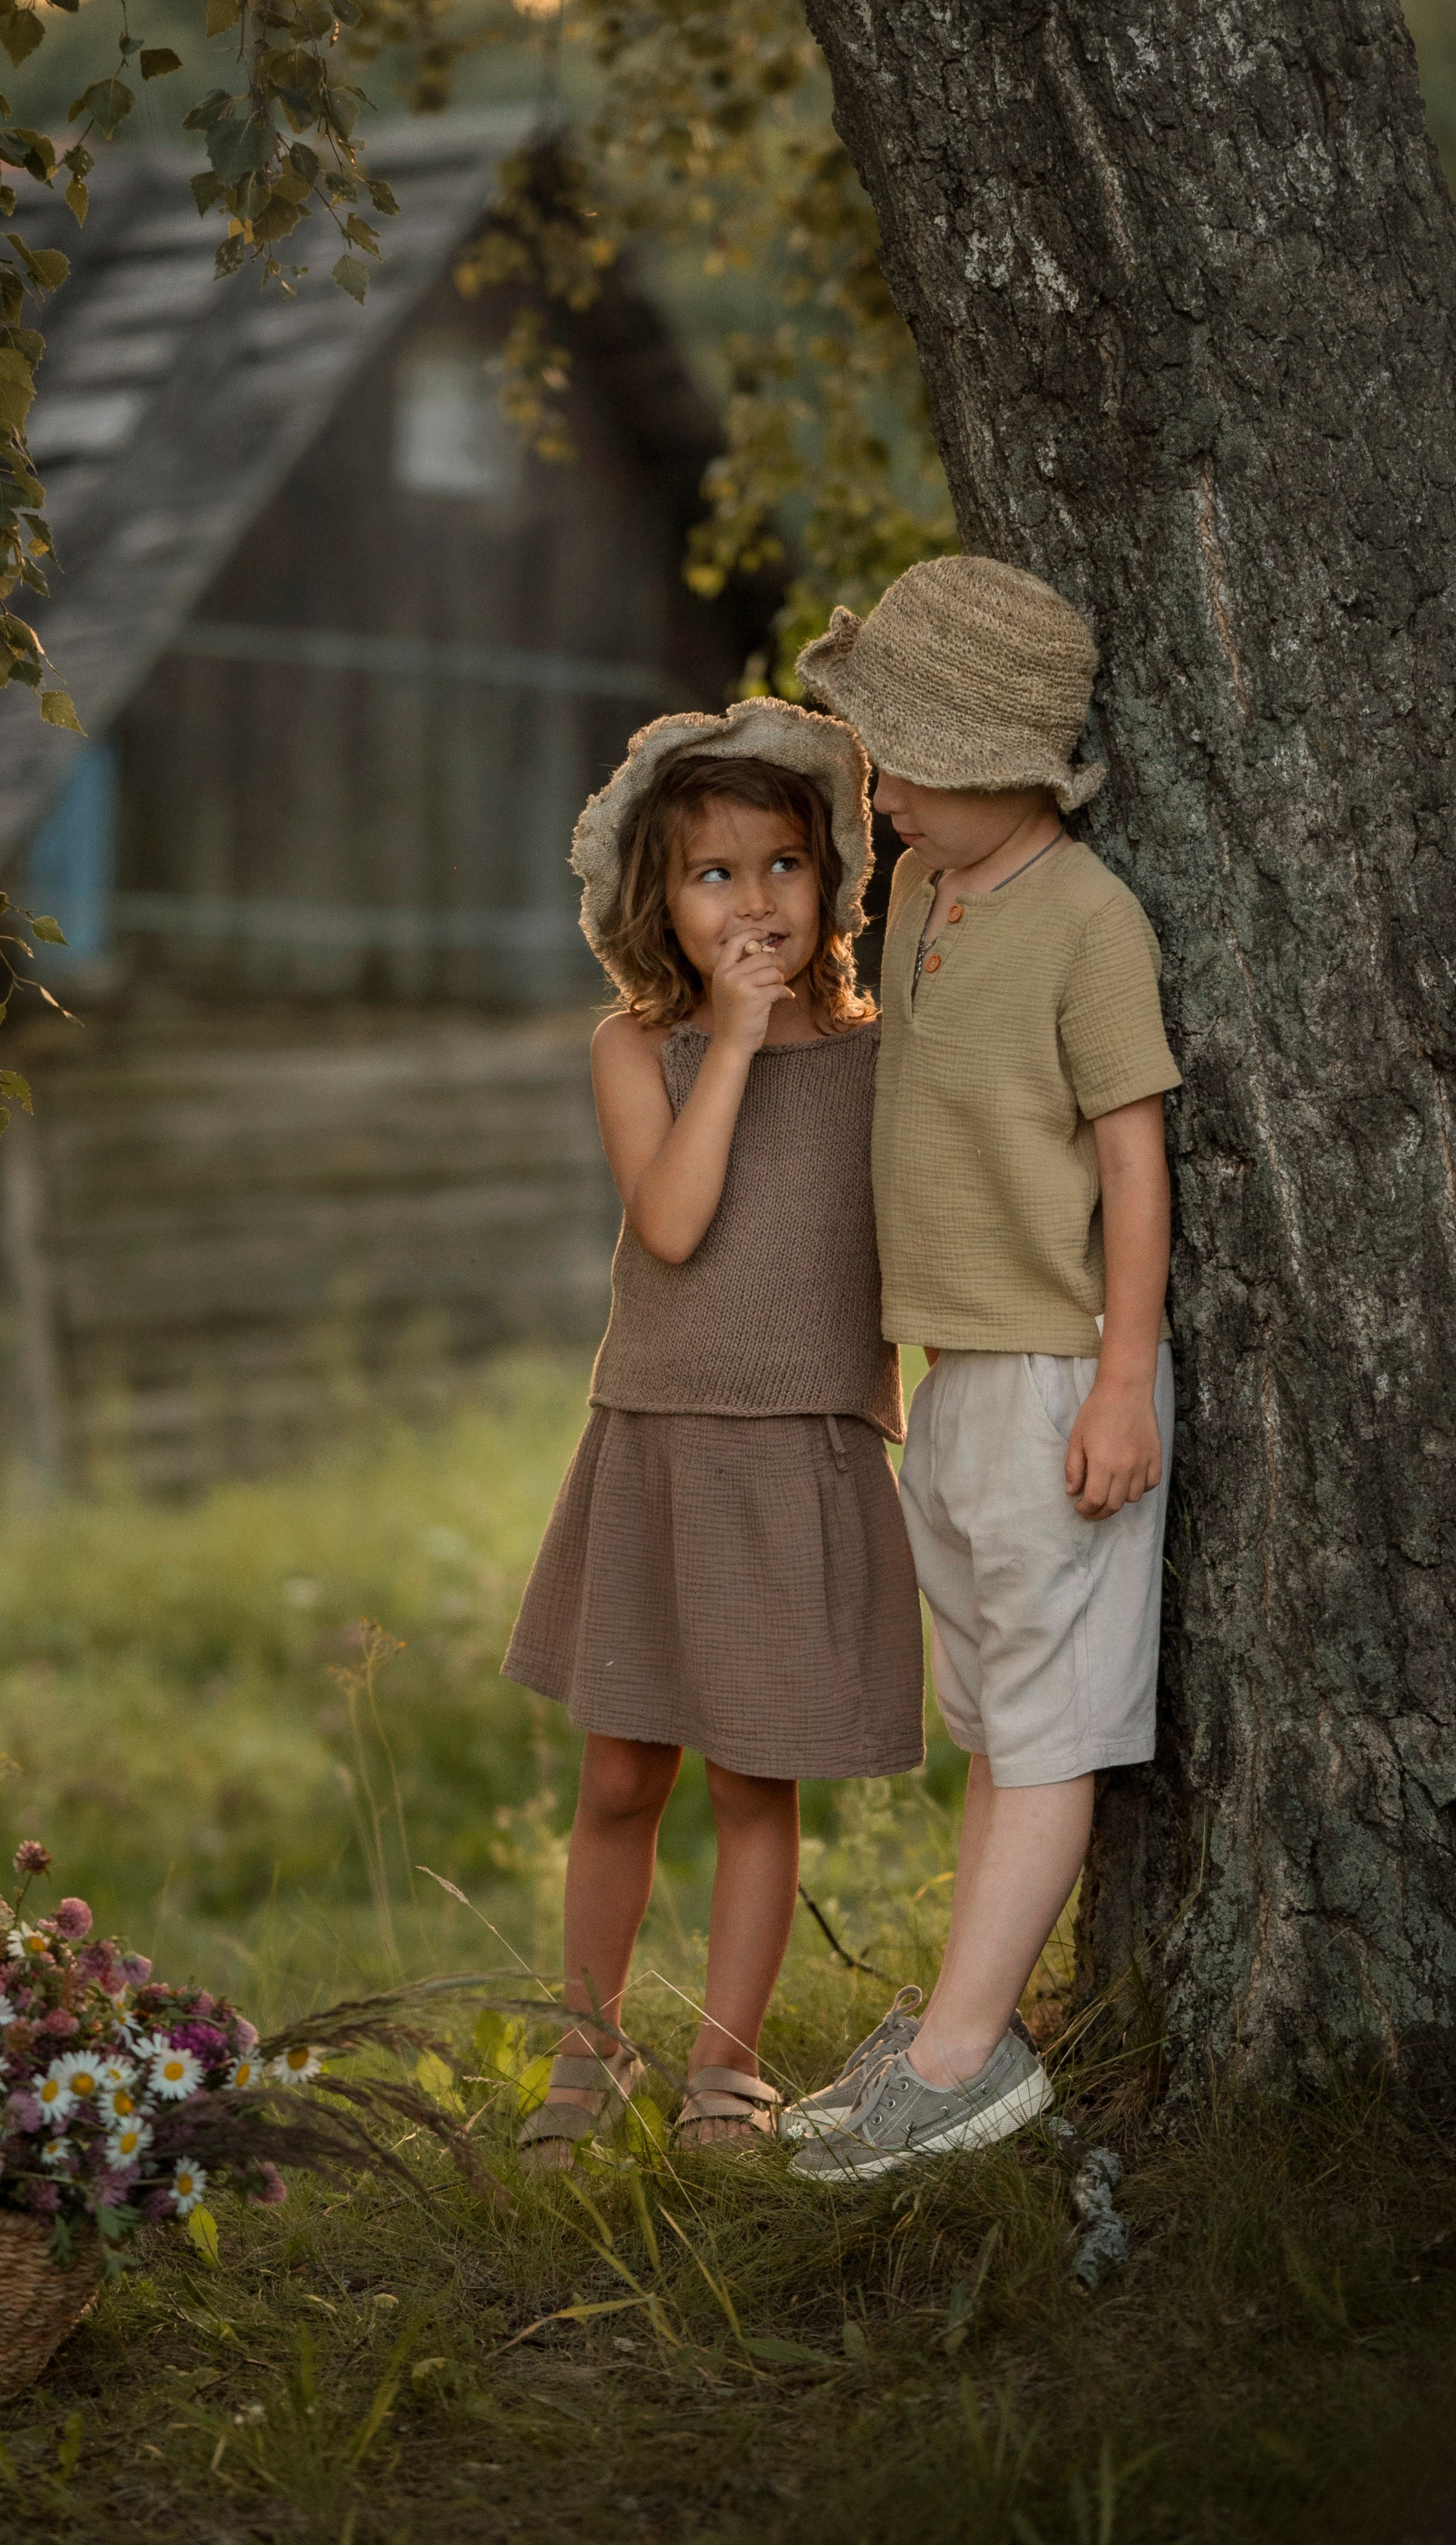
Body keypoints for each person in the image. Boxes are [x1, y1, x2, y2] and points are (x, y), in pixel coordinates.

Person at [785, 557, 1180, 2182]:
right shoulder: (925, 890)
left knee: (1042, 1731)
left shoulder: (1086, 918)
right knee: (996, 1722)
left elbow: (1133, 1159)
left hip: (1053, 1376)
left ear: (1000, 762)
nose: (875, 798)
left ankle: (965, 2064)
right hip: (954, 1381)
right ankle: (956, 2018)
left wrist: (1118, 1384)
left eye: (901, 764)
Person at [502, 697, 926, 2161]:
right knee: (621, 1771)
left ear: (834, 877)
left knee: (756, 1775)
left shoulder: (881, 1056)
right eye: (713, 875)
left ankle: (726, 2072)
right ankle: (588, 2045)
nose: (754, 902)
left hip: (796, 1447)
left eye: (782, 865)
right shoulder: (640, 1050)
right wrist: (735, 1038)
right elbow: (673, 1224)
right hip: (659, 1445)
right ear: (656, 903)